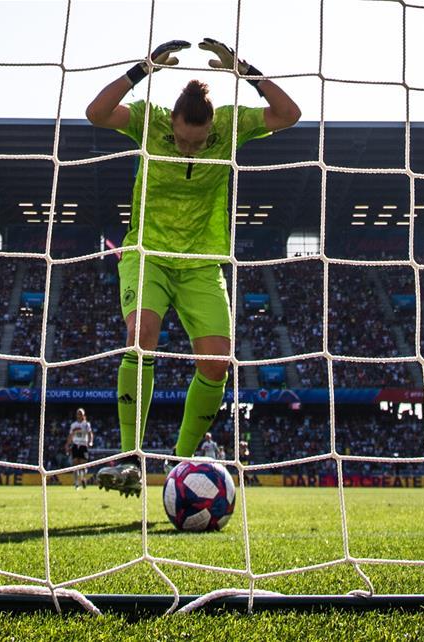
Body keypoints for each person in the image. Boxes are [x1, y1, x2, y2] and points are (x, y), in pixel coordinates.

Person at [88, 38, 300, 497]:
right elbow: (96, 112)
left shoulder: (229, 125)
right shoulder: (148, 120)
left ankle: (180, 467)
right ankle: (129, 457)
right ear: (174, 122)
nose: (189, 147)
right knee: (140, 338)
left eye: (197, 142)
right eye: (183, 139)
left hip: (202, 262)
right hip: (149, 254)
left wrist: (249, 73)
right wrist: (140, 69)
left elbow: (290, 115)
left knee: (217, 363)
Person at [64, 408, 94, 489]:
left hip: (83, 445)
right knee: (75, 464)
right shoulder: (73, 425)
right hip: (75, 445)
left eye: (81, 413)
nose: (79, 415)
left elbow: (90, 434)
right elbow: (70, 436)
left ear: (83, 415)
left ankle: (83, 478)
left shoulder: (86, 424)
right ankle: (76, 483)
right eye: (78, 413)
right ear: (76, 415)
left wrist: (90, 442)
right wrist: (67, 444)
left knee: (83, 465)